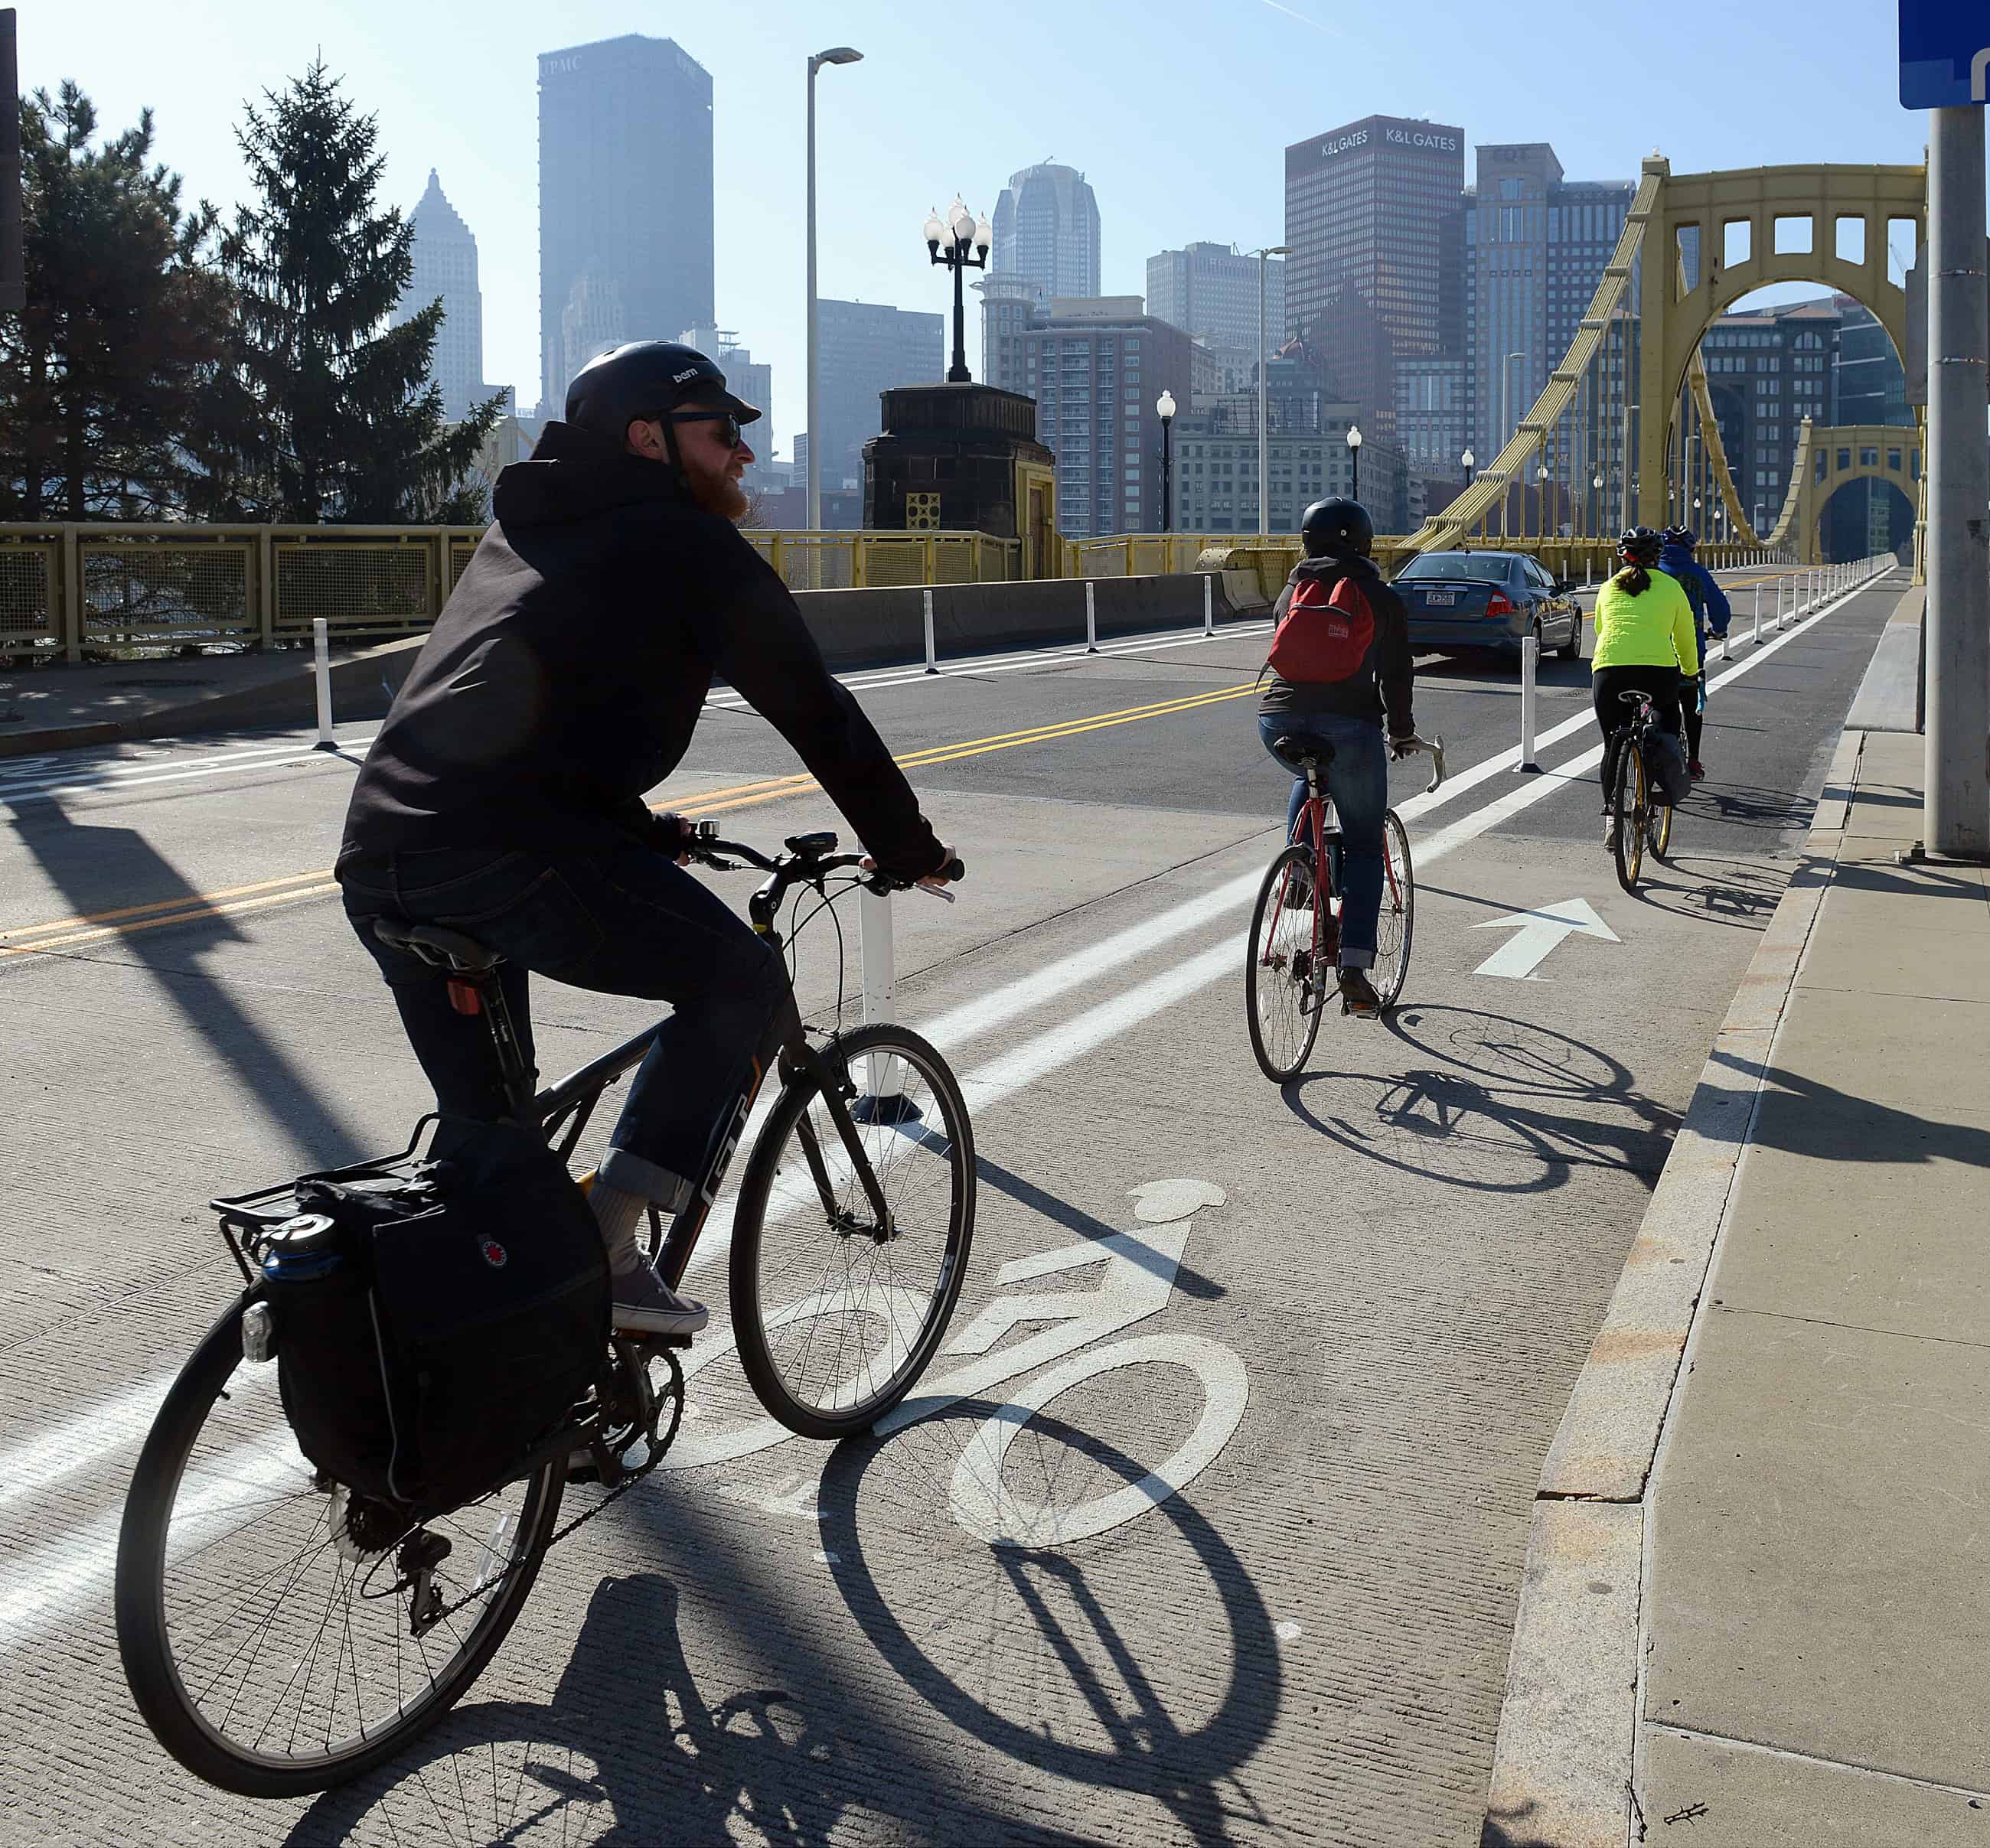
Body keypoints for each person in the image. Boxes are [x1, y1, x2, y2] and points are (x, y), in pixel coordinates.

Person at [337, 341, 956, 1338]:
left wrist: (637, 829)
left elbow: (529, 706)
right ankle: (612, 1246)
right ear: (647, 439)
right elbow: (814, 705)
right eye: (721, 432)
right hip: (510, 850)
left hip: (383, 852)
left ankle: (489, 1395)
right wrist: (906, 843)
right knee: (741, 981)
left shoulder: (524, 533)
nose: (741, 455)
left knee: (493, 1155)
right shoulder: (685, 542)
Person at [1256, 497, 1416, 1019]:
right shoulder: (1380, 596)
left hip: (1276, 722)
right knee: (1367, 847)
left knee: (1309, 770)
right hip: (1351, 728)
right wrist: (1403, 731)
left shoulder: (1291, 590)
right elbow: (1396, 676)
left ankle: (1300, 866)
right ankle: (1353, 968)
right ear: (1363, 541)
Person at [1591, 526, 1699, 843]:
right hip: (1658, 673)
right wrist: (1690, 673)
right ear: (1658, 556)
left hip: (1609, 672)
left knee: (1613, 743)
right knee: (1666, 729)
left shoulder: (1607, 587)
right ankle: (1650, 791)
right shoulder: (1671, 587)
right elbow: (1685, 637)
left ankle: (1612, 820)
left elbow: (1600, 628)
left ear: (1621, 556)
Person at [1657, 526, 1731, 779]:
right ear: (1690, 549)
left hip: (1653, 652)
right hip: (1690, 651)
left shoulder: (1652, 573)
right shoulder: (1699, 573)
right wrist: (1718, 630)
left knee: (1654, 700)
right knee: (1691, 706)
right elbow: (1720, 608)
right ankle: (1694, 761)